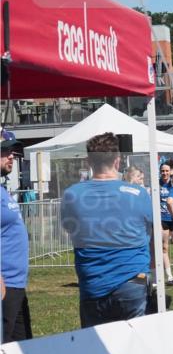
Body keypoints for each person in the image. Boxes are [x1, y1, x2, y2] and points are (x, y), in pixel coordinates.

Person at [60, 133, 153, 327]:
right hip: (132, 281)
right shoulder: (139, 194)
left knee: (95, 351)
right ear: (117, 162)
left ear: (88, 162)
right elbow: (151, 232)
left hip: (92, 283)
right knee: (136, 348)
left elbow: (70, 230)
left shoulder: (72, 195)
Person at [1, 140, 31, 341]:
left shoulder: (3, 190)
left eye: (11, 151)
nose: (11, 155)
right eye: (4, 151)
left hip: (16, 285)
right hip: (4, 285)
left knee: (21, 353)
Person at [156, 163, 173, 283]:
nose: (165, 173)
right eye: (163, 171)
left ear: (170, 172)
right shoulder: (157, 184)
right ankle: (169, 275)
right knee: (164, 248)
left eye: (167, 171)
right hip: (162, 218)